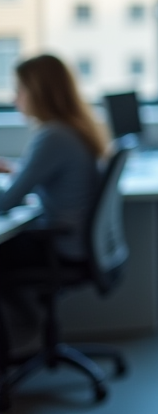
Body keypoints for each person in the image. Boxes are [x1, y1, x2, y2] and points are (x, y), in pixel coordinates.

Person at [0, 55, 105, 356]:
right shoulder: (71, 128)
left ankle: (21, 332)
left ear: (39, 92)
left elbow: (7, 202)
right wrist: (17, 170)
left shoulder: (51, 136)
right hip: (76, 244)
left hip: (60, 247)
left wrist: (15, 179)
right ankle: (26, 328)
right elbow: (48, 175)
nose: (14, 97)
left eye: (19, 89)